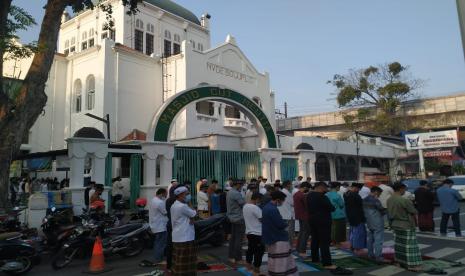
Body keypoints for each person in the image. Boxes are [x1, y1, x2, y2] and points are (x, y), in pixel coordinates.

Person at [308, 182, 351, 275]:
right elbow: (331, 208)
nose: (326, 190)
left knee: (315, 239)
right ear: (321, 187)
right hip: (323, 221)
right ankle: (327, 263)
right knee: (324, 242)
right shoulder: (322, 197)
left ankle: (314, 258)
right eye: (325, 188)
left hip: (312, 220)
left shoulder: (309, 195)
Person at [387, 182, 422, 272]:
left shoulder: (389, 199)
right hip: (406, 224)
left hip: (395, 224)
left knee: (399, 245)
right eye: (404, 189)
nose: (405, 191)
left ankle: (399, 262)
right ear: (400, 189)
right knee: (410, 246)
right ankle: (412, 265)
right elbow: (413, 211)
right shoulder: (404, 200)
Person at [262, 191, 298, 276]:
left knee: (274, 258)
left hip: (271, 236)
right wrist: (285, 224)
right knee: (281, 259)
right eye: (282, 200)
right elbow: (280, 224)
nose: (282, 203)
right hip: (278, 237)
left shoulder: (267, 207)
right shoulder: (273, 209)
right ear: (278, 200)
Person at [171, 186, 197, 275]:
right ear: (181, 195)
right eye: (187, 194)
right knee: (186, 262)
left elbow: (191, 217)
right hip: (185, 237)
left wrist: (191, 218)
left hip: (178, 236)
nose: (188, 196)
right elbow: (194, 213)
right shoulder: (182, 206)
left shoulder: (174, 205)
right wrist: (189, 203)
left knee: (178, 260)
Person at [243, 192, 265, 275]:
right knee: (259, 252)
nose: (260, 202)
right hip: (257, 233)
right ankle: (256, 270)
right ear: (257, 199)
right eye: (260, 200)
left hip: (249, 232)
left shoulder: (245, 206)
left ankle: (248, 266)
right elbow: (262, 219)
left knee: (251, 249)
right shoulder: (255, 208)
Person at [363, 186, 386, 262]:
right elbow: (382, 210)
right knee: (378, 240)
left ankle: (370, 254)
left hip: (369, 221)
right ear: (376, 192)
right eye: (379, 193)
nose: (380, 195)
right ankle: (378, 257)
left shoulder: (364, 199)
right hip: (377, 221)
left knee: (370, 239)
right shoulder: (376, 200)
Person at [226, 180, 246, 264]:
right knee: (239, 239)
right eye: (241, 185)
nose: (241, 187)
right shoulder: (236, 193)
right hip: (238, 218)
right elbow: (242, 204)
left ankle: (231, 257)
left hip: (232, 218)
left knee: (233, 239)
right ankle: (238, 258)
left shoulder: (229, 192)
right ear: (237, 185)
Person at [147, 188, 168, 265]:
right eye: (166, 194)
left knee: (158, 242)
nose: (166, 195)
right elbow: (165, 212)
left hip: (155, 224)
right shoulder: (159, 202)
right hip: (160, 226)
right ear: (162, 193)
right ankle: (159, 259)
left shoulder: (153, 200)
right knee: (161, 243)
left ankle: (158, 257)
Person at [344, 182, 366, 254]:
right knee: (358, 233)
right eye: (359, 189)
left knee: (352, 232)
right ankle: (357, 248)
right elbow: (360, 206)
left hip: (350, 216)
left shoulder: (347, 194)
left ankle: (352, 245)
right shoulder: (355, 195)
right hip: (357, 217)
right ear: (356, 188)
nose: (359, 190)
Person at [326, 182, 346, 246]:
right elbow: (341, 204)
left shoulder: (326, 194)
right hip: (338, 214)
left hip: (329, 214)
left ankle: (331, 241)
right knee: (338, 229)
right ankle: (337, 242)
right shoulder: (337, 195)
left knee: (331, 229)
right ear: (337, 187)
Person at [294, 181, 311, 257]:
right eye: (307, 188)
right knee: (305, 233)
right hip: (305, 216)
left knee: (301, 232)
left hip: (299, 215)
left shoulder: (296, 194)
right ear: (305, 187)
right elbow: (307, 206)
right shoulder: (302, 195)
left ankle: (298, 248)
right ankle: (302, 250)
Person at [278, 180, 295, 245]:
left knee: (284, 232)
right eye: (291, 184)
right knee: (289, 232)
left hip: (283, 215)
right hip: (288, 215)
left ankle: (284, 246)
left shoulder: (282, 192)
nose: (291, 186)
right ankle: (289, 246)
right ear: (288, 185)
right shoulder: (287, 193)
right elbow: (293, 203)